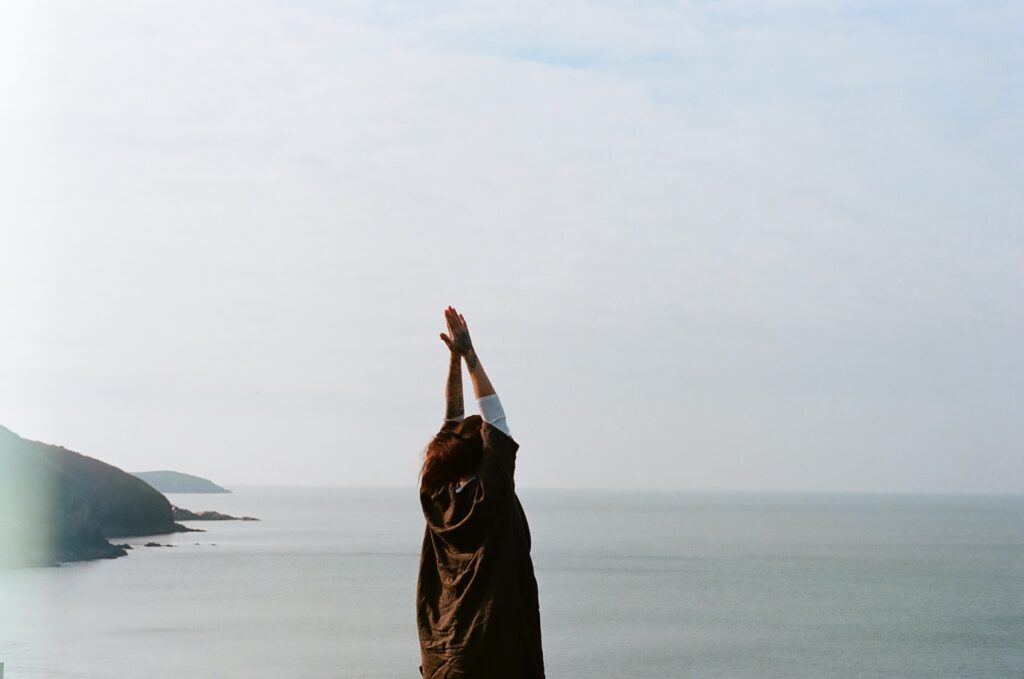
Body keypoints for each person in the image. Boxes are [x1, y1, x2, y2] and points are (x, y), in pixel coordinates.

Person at [416, 306, 545, 678]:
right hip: (493, 652)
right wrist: (469, 354)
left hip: (445, 657)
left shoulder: (435, 497)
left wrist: (454, 359)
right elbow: (494, 417)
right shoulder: (492, 494)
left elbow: (452, 421)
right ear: (481, 457)